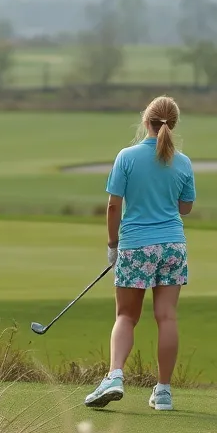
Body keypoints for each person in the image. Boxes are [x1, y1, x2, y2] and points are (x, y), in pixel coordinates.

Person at [83, 96, 195, 413]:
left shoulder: (127, 157)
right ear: (172, 125)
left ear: (145, 121)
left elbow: (113, 205)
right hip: (173, 245)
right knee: (167, 317)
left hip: (136, 245)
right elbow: (185, 207)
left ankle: (115, 376)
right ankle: (163, 393)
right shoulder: (183, 162)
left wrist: (111, 245)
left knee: (126, 316)